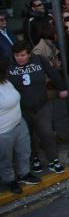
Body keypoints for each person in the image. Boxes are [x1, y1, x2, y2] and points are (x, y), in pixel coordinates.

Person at [8, 41, 68, 173]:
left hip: (41, 104)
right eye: (17, 55)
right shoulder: (9, 65)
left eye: (23, 55)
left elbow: (52, 73)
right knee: (27, 136)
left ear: (29, 54)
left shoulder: (39, 60)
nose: (20, 58)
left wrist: (62, 87)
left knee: (47, 133)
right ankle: (34, 158)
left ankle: (53, 160)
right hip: (21, 108)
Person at [0, 57, 41, 193]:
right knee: (6, 158)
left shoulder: (5, 81)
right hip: (3, 131)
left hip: (19, 123)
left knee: (24, 151)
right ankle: (10, 180)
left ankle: (24, 174)